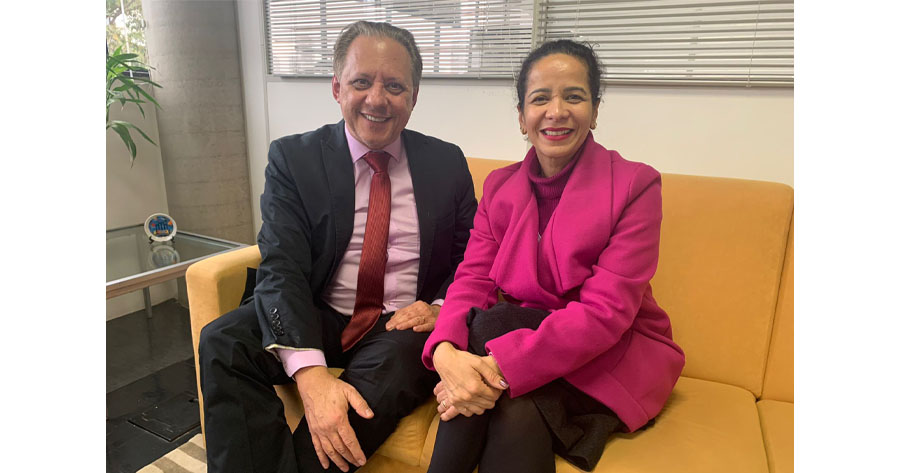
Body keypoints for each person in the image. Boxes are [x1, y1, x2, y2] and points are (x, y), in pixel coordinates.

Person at [198, 21, 478, 473]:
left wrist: (440, 306)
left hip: (401, 325)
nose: (377, 99)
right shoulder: (294, 159)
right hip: (320, 311)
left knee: (382, 380)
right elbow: (282, 265)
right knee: (223, 341)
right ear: (336, 88)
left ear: (414, 96)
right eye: (361, 82)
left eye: (394, 86)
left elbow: (473, 256)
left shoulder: (446, 162)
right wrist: (310, 375)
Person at [421, 40, 686, 473]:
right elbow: (472, 279)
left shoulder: (636, 186)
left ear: (594, 111)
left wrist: (496, 366)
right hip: (524, 345)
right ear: (522, 117)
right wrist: (447, 353)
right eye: (540, 98)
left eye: (574, 96)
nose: (556, 111)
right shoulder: (499, 187)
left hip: (612, 353)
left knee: (490, 329)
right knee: (515, 403)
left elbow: (605, 314)